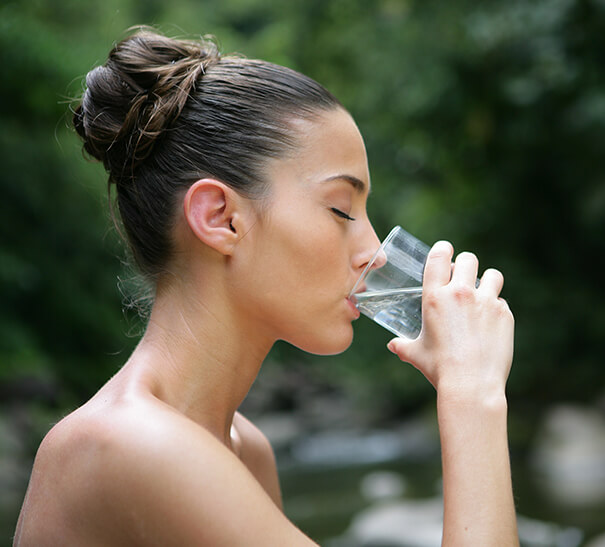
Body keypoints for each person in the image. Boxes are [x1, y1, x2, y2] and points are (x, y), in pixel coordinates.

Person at [14, 27, 517, 546]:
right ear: (221, 218)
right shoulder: (133, 445)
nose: (376, 252)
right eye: (341, 209)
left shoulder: (243, 448)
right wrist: (471, 395)